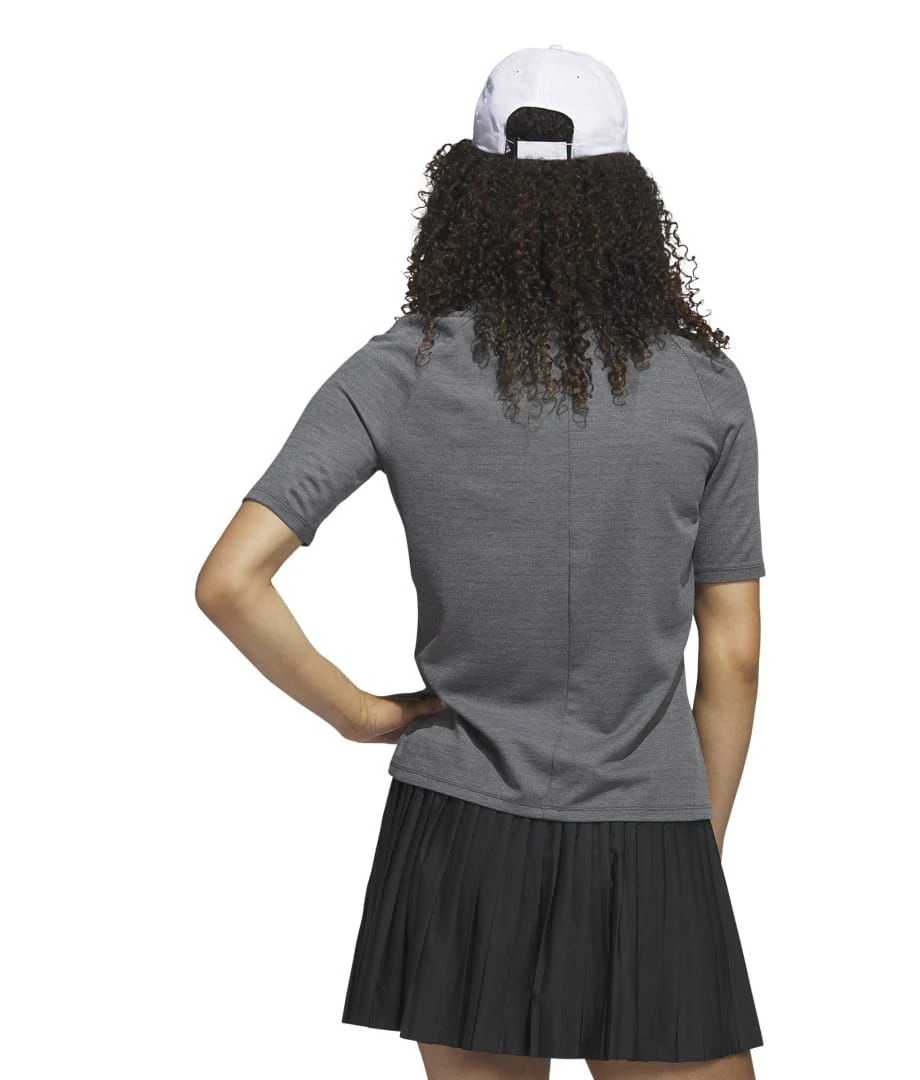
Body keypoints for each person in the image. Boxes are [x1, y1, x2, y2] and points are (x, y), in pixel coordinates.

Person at [196, 45, 766, 1080]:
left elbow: (231, 581)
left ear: (466, 197)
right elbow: (734, 660)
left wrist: (359, 714)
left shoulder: (401, 370)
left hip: (458, 829)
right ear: (626, 203)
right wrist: (691, 847)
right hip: (647, 826)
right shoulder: (704, 388)